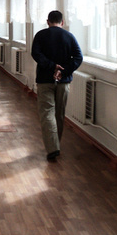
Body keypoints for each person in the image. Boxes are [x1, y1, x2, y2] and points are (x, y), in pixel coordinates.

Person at [31, 10, 83, 162]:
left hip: (44, 80)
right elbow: (78, 57)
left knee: (47, 113)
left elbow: (36, 54)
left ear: (47, 22)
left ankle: (52, 147)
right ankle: (56, 145)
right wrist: (63, 70)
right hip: (64, 81)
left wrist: (52, 66)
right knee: (59, 114)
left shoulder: (40, 35)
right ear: (62, 22)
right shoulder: (69, 36)